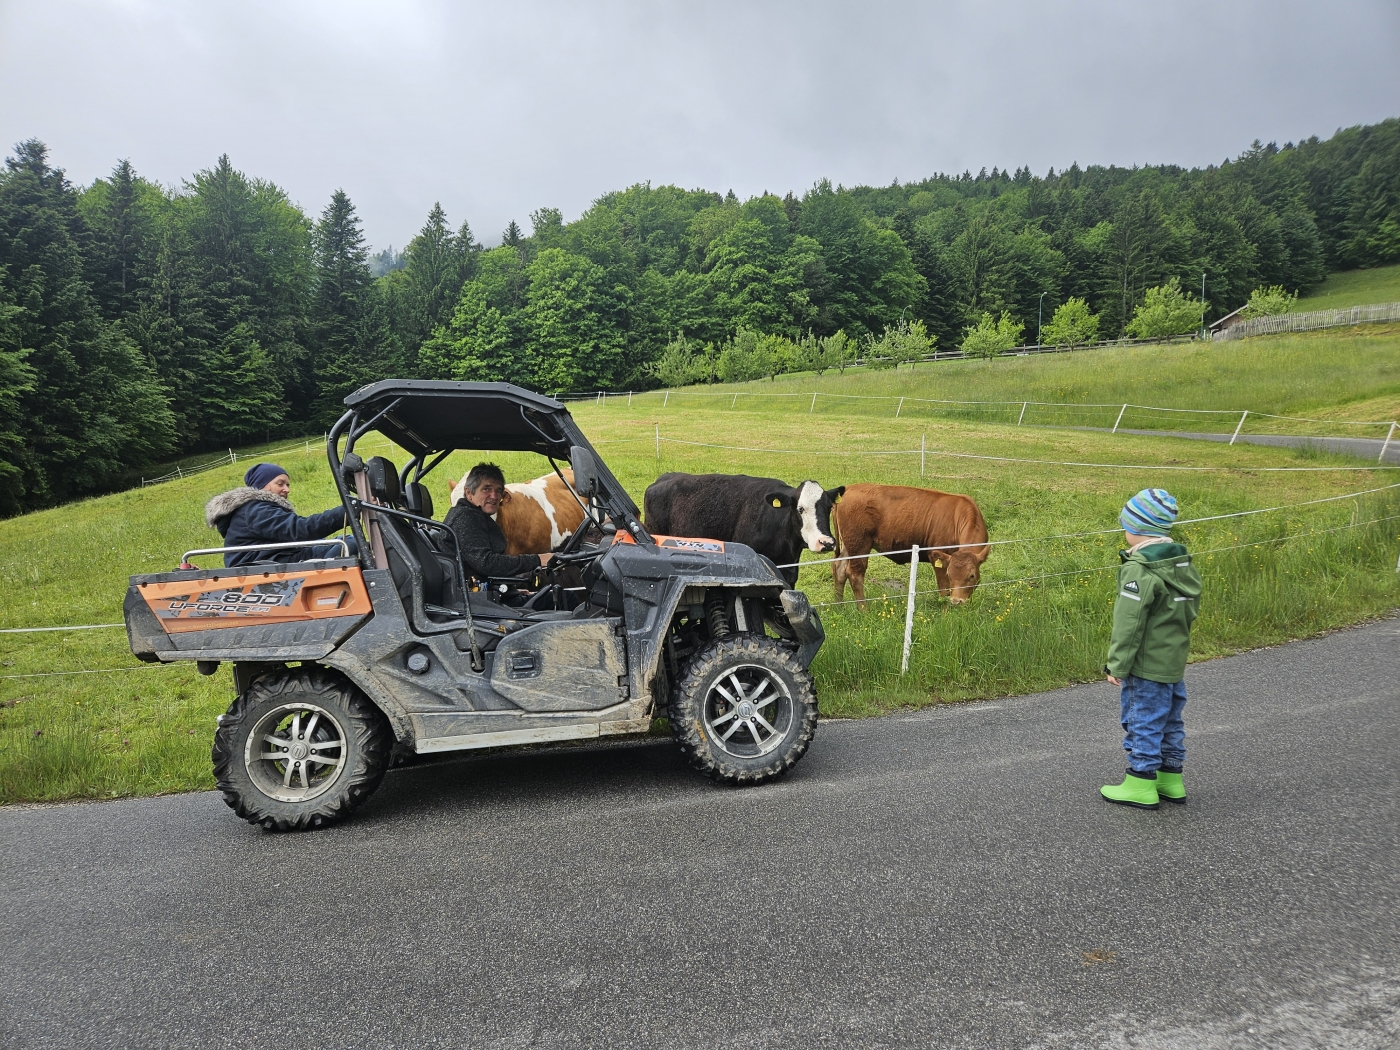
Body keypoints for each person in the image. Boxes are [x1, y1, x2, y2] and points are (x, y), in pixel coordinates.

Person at [1101, 488, 1203, 810]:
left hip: (1145, 666)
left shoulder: (1140, 569)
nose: (1124, 531)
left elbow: (1128, 623)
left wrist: (1117, 665)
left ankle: (1140, 782)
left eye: (1126, 525)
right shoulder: (1180, 563)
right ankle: (1170, 779)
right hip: (1172, 663)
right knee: (1170, 720)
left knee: (1141, 718)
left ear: (1138, 529)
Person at [206, 462, 352, 568]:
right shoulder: (255, 510)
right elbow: (300, 529)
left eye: (287, 485)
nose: (286, 489)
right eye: (280, 484)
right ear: (261, 486)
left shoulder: (254, 508)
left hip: (272, 561)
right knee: (348, 544)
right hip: (262, 568)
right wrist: (349, 511)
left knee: (337, 542)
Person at [444, 463, 553, 597]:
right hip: (476, 605)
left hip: (484, 596)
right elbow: (486, 563)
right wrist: (537, 560)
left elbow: (479, 568)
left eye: (498, 490)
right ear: (469, 493)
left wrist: (511, 591)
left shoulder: (473, 515)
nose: (494, 496)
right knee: (564, 599)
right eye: (486, 489)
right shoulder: (466, 519)